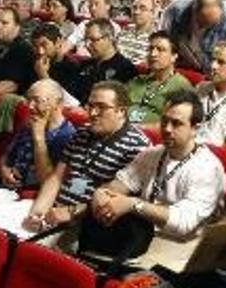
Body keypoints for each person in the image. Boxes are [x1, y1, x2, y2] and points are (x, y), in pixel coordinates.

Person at [91, 90, 226, 239]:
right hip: (141, 234)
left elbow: (184, 223)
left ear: (195, 129)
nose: (167, 129)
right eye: (164, 121)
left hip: (181, 245)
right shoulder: (153, 153)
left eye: (176, 123)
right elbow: (121, 183)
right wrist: (102, 193)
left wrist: (134, 204)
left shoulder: (207, 169)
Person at [24, 81, 151, 233]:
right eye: (90, 106)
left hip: (88, 224)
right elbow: (56, 178)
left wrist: (71, 212)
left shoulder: (137, 147)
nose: (93, 113)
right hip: (55, 213)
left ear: (121, 111)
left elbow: (114, 202)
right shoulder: (82, 132)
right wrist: (37, 213)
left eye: (102, 107)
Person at [0, 79, 76, 190]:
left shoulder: (67, 136)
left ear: (58, 104)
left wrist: (38, 136)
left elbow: (50, 183)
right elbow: (6, 155)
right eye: (29, 100)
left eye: (37, 100)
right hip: (5, 187)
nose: (30, 106)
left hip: (32, 194)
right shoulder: (29, 123)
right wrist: (4, 169)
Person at [164, 0, 226, 72]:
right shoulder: (175, 10)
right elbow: (164, 40)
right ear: (194, 11)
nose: (207, 28)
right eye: (204, 23)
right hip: (183, 62)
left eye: (213, 24)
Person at [127, 32, 193, 127]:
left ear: (174, 56)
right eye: (150, 49)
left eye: (160, 50)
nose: (153, 54)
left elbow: (177, 125)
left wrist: (140, 128)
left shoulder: (181, 87)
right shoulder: (136, 81)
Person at [116, 0, 157, 66]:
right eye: (134, 8)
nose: (136, 12)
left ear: (152, 13)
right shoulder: (124, 31)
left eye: (143, 9)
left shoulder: (156, 38)